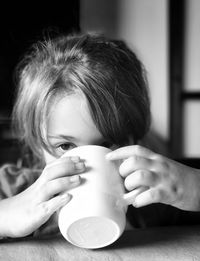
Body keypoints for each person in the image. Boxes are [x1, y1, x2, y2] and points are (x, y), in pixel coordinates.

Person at [0, 32, 200, 239]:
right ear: (36, 142)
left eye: (108, 143)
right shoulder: (13, 189)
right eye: (65, 146)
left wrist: (194, 189)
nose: (87, 166)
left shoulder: (156, 194)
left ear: (134, 139)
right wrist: (4, 216)